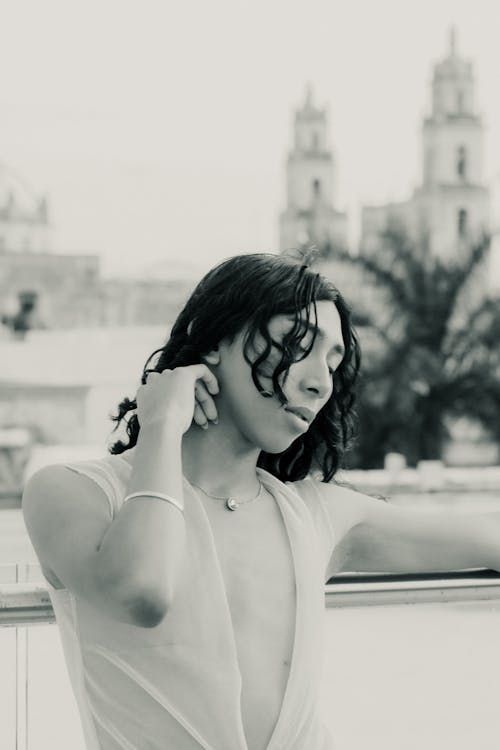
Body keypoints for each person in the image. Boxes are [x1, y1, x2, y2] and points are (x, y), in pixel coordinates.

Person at [22, 252, 500, 750]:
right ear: (213, 343)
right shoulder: (72, 492)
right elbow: (140, 591)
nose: (320, 381)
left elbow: (491, 536)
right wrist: (163, 424)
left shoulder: (315, 513)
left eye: (333, 361)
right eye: (298, 344)